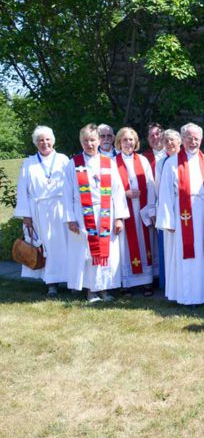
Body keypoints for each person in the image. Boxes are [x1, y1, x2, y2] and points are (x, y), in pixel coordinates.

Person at [63, 123, 129, 303]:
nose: (89, 144)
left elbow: (118, 191)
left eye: (92, 140)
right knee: (87, 253)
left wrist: (119, 218)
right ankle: (91, 290)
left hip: (106, 212)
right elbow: (67, 193)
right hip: (82, 215)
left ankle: (105, 288)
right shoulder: (73, 164)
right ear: (81, 142)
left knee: (107, 251)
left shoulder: (109, 163)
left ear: (99, 140)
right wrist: (70, 218)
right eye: (85, 141)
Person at [156, 122, 204, 305]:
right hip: (181, 217)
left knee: (203, 255)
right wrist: (168, 222)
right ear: (182, 139)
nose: (193, 141)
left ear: (201, 139)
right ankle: (184, 295)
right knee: (184, 255)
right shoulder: (172, 162)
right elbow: (165, 194)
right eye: (189, 138)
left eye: (196, 138)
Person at [14, 125, 70, 296]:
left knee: (65, 246)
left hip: (60, 209)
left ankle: (70, 280)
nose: (44, 143)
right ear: (35, 143)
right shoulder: (29, 163)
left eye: (47, 139)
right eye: (40, 140)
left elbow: (70, 187)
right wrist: (26, 216)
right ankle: (51, 282)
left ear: (52, 141)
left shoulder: (63, 159)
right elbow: (22, 190)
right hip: (39, 211)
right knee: (46, 247)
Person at [114, 127, 156, 296]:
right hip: (124, 211)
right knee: (125, 247)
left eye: (131, 139)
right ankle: (127, 283)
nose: (128, 143)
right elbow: (109, 189)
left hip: (142, 210)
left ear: (136, 142)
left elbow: (151, 185)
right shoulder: (112, 163)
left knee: (145, 244)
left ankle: (147, 282)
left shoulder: (143, 161)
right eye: (125, 140)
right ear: (119, 142)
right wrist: (125, 194)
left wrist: (151, 209)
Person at [154, 129, 182, 291]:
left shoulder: (184, 161)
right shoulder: (161, 163)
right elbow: (158, 187)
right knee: (167, 249)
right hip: (166, 208)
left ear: (179, 141)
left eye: (173, 140)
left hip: (182, 210)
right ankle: (167, 284)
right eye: (166, 141)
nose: (170, 143)